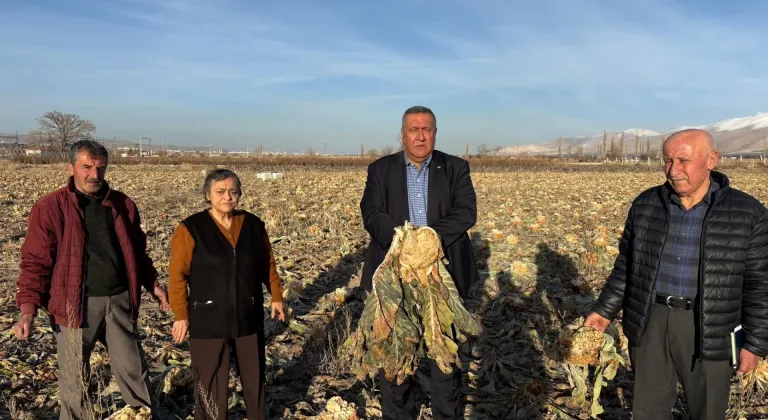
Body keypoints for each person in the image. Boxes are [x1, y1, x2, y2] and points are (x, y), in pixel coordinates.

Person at [584, 129, 768, 420]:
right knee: (648, 410)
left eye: (683, 160)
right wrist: (603, 310)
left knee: (707, 410)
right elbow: (628, 265)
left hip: (711, 325)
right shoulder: (646, 205)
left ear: (712, 160)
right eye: (667, 160)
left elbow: (760, 284)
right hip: (650, 319)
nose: (673, 170)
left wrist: (755, 342)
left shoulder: (748, 212)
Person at [14, 139, 171, 420]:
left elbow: (138, 252)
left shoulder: (122, 204)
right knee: (75, 380)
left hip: (119, 300)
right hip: (73, 306)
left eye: (100, 168)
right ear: (71, 167)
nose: (94, 175)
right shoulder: (51, 207)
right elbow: (36, 261)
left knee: (133, 368)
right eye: (86, 167)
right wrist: (28, 309)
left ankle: (143, 415)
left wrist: (154, 285)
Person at [360, 105, 479, 420]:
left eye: (427, 129)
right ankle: (398, 414)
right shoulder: (380, 169)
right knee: (395, 355)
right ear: (402, 134)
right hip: (393, 277)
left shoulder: (455, 168)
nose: (420, 135)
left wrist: (427, 240)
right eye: (414, 129)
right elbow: (371, 213)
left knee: (443, 357)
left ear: (435, 133)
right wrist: (401, 242)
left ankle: (445, 413)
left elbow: (466, 212)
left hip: (442, 274)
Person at [168, 168, 286, 420]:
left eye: (233, 192)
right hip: (208, 316)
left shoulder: (253, 225)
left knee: (254, 378)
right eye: (220, 192)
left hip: (248, 313)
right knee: (210, 382)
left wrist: (276, 296)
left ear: (240, 195)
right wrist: (181, 314)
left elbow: (267, 263)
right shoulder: (191, 229)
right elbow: (177, 276)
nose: (227, 197)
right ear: (207, 195)